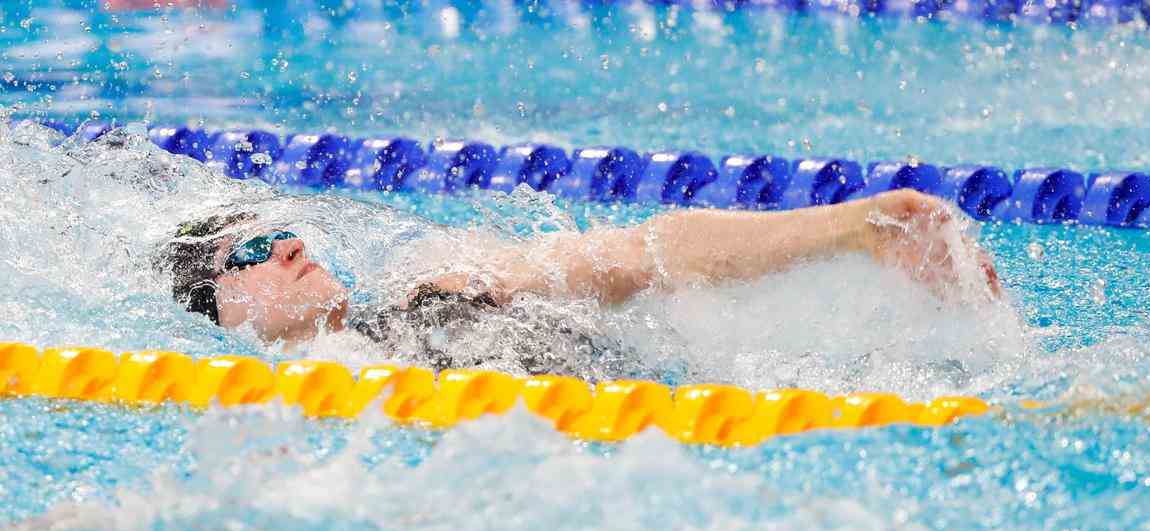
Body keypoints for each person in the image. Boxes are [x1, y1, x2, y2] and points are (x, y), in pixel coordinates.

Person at [156, 188, 1001, 378]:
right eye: (251, 250)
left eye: (281, 229)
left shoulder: (433, 292)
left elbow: (646, 254)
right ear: (219, 315)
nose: (286, 244)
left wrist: (852, 226)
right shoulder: (264, 403)